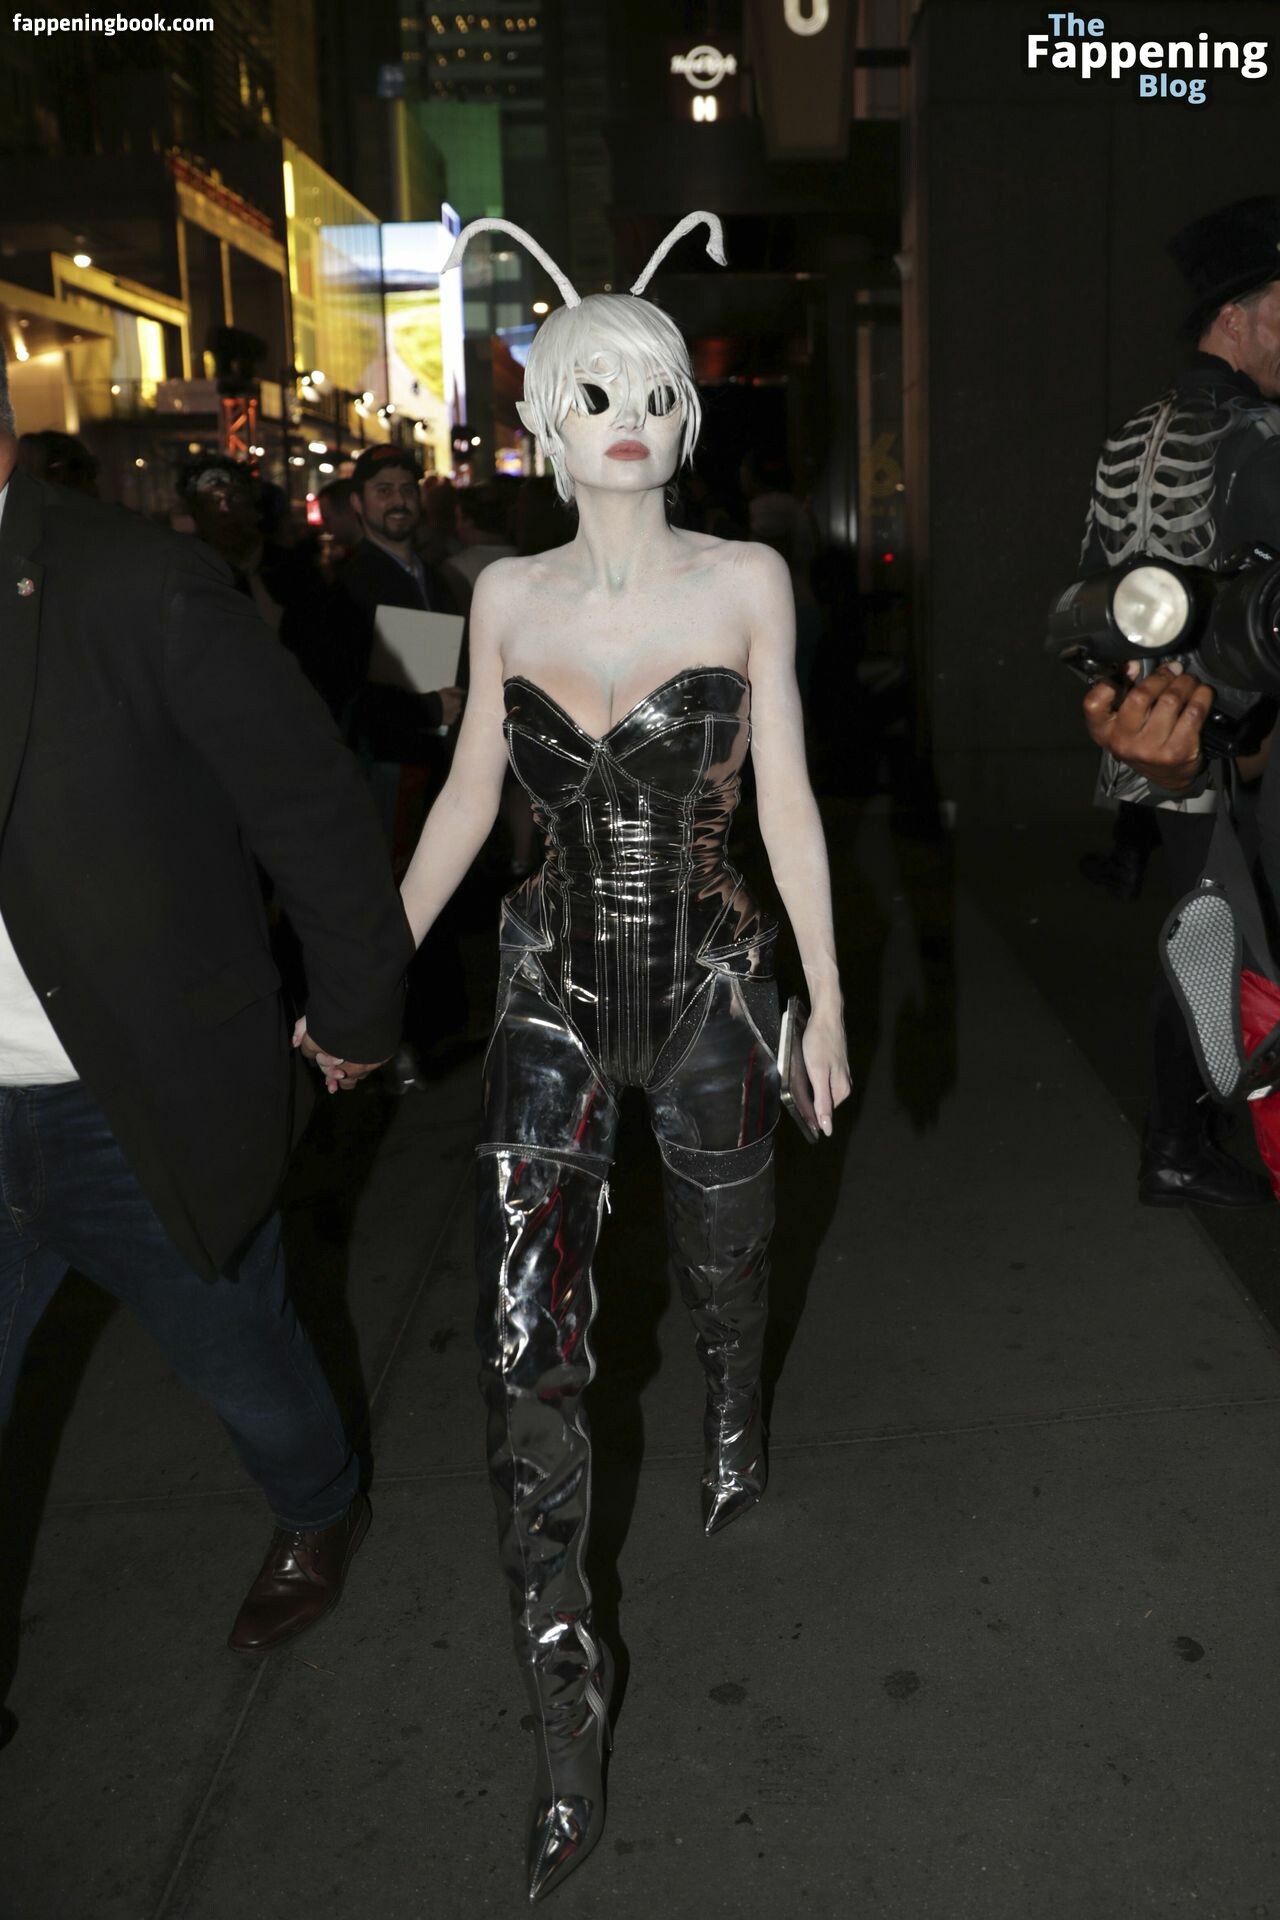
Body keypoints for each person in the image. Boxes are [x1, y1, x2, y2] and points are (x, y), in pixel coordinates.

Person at [397, 212, 851, 1902]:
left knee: (728, 1261)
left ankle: (734, 1402)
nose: (630, 418)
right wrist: (370, 975)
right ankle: (565, 1716)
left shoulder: (745, 581)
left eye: (655, 389)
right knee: (530, 1359)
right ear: (542, 422)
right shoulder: (503, 595)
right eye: (594, 393)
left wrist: (826, 999)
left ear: (688, 412)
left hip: (718, 983)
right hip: (547, 992)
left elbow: (787, 800)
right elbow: (469, 795)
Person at [0, 347, 413, 1680]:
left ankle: (318, 1503)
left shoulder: (139, 582)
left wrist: (356, 1012)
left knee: (245, 1361)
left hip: (135, 1095)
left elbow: (311, 803)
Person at [1078, 195, 1280, 1209]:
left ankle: (1178, 1141)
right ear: (1234, 318)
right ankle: (1177, 1141)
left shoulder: (1132, 432)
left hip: (1148, 733)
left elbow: (1089, 598)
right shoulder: (1259, 435)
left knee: (1201, 931)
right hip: (1234, 744)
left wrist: (1126, 714)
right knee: (1223, 943)